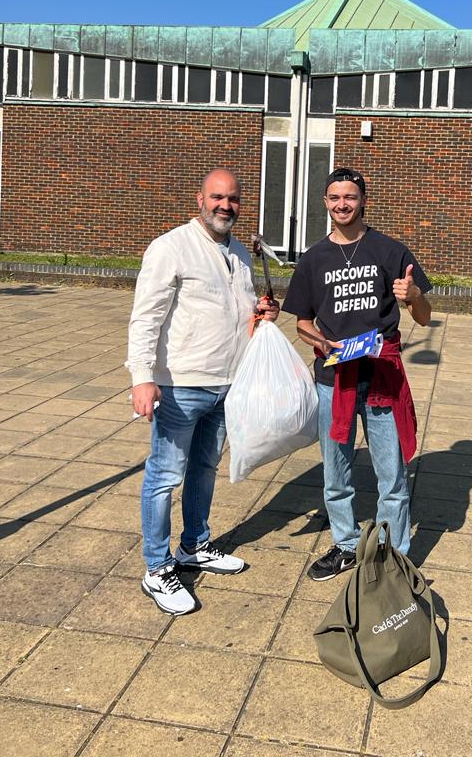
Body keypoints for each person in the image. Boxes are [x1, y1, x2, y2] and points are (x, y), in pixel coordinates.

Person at [127, 167, 279, 614]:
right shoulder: (170, 248)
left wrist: (261, 313)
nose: (224, 206)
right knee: (164, 476)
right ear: (200, 199)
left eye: (232, 199)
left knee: (204, 470)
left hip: (226, 384)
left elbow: (236, 310)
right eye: (217, 197)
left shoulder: (239, 253)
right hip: (179, 386)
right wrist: (142, 377)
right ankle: (157, 567)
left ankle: (194, 545)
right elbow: (145, 316)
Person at [282, 167, 432, 581]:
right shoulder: (313, 259)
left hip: (382, 376)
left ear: (363, 200)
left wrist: (414, 296)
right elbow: (302, 322)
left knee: (393, 474)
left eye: (350, 197)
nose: (342, 204)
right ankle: (345, 546)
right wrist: (318, 340)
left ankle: (394, 555)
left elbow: (424, 316)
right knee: (336, 473)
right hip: (334, 380)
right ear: (325, 203)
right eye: (334, 198)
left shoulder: (390, 251)